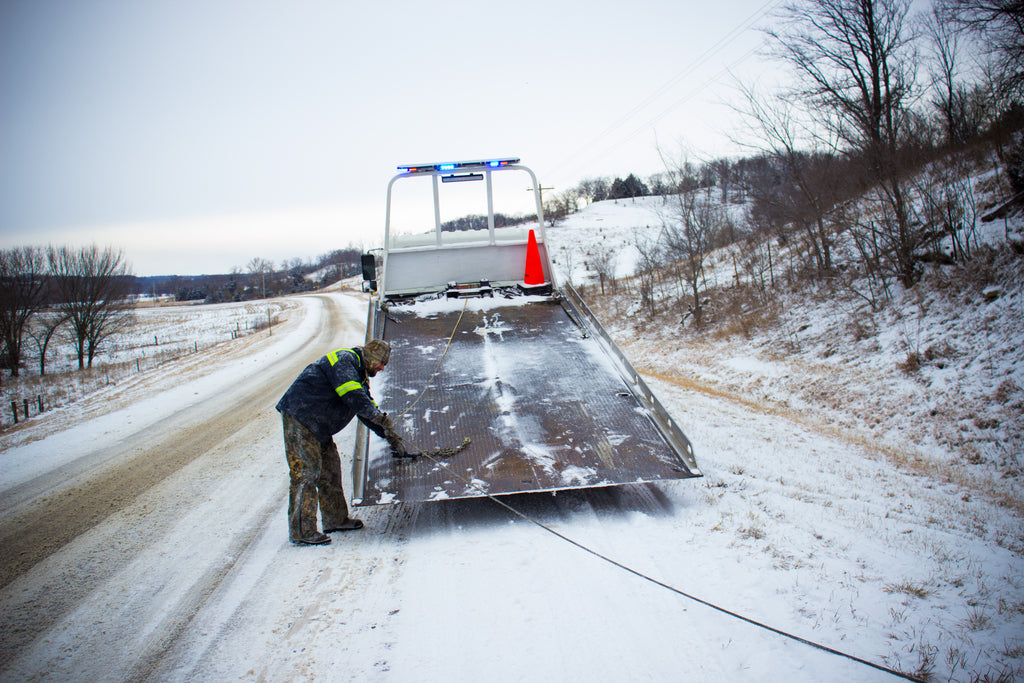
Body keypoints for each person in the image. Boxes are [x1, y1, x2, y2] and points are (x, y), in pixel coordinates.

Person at [275, 339, 404, 545]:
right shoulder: (345, 361)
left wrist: (389, 435)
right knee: (305, 473)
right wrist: (381, 418)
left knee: (330, 471)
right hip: (301, 417)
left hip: (319, 425)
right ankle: (302, 531)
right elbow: (354, 397)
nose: (381, 368)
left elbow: (365, 408)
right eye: (381, 363)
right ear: (371, 357)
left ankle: (336, 520)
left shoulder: (359, 374)